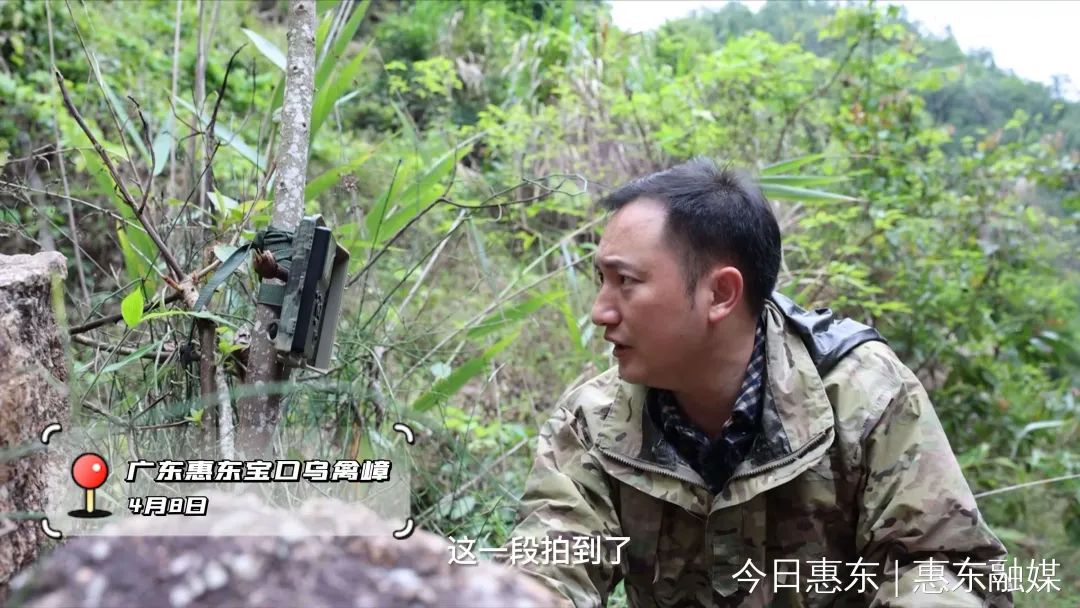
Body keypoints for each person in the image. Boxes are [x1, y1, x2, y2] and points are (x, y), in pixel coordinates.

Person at [505, 159, 1012, 607]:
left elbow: (944, 567)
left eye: (626, 282)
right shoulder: (594, 420)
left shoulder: (862, 396)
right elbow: (549, 561)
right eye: (601, 280)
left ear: (721, 293)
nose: (600, 312)